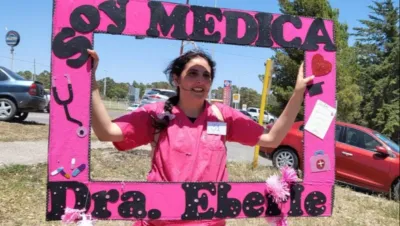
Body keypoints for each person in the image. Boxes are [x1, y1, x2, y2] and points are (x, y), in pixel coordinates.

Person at [87, 49, 314, 226]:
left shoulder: (222, 116)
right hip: (160, 220)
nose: (200, 81)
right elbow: (107, 132)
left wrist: (297, 93)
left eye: (206, 76)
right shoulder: (156, 114)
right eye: (193, 73)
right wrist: (91, 81)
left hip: (211, 220)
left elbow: (272, 139)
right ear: (176, 78)